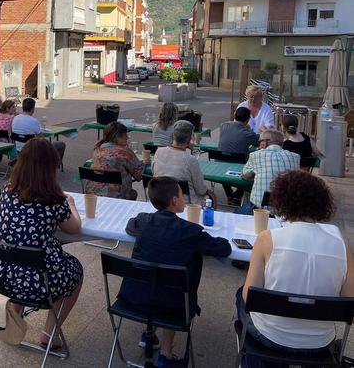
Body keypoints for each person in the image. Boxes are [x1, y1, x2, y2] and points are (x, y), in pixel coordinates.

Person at [238, 171, 353, 362]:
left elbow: (249, 296)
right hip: (319, 343)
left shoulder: (267, 238)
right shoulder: (341, 243)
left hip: (270, 337)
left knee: (240, 295)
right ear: (323, 203)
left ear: (281, 201)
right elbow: (350, 300)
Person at [120, 177, 231, 367]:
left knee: (157, 275)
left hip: (133, 299)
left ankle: (149, 334)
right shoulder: (189, 231)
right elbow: (223, 248)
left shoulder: (144, 220)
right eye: (181, 194)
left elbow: (130, 225)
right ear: (174, 200)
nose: (184, 198)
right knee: (171, 286)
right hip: (174, 305)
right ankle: (166, 354)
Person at [0, 138, 83, 350]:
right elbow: (74, 227)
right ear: (50, 166)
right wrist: (72, 204)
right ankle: (50, 333)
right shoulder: (53, 200)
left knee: (28, 262)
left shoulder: (8, 189)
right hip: (38, 282)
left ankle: (12, 320)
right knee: (73, 270)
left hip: (1, 275)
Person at [152, 120, 217, 206]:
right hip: (184, 204)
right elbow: (201, 190)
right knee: (212, 197)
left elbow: (154, 173)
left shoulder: (159, 152)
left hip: (161, 199)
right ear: (189, 140)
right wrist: (209, 191)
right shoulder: (190, 160)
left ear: (172, 136)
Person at [240, 128, 300, 213]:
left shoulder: (256, 155)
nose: (258, 145)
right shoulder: (296, 157)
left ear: (265, 142)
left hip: (260, 211)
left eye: (259, 142)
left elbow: (245, 175)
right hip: (287, 210)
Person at [89, 121, 145, 200]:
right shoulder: (124, 152)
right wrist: (145, 162)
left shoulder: (98, 149)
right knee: (133, 193)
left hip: (92, 195)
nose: (127, 137)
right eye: (125, 135)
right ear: (118, 136)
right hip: (116, 196)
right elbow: (139, 176)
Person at [219, 107, 259, 206]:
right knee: (250, 169)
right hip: (240, 162)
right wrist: (249, 130)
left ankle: (229, 194)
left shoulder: (223, 126)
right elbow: (257, 142)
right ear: (248, 120)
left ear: (234, 115)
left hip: (220, 161)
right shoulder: (247, 133)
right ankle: (237, 196)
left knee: (225, 164)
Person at [11, 98, 66, 162]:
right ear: (33, 108)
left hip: (18, 150)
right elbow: (41, 138)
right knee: (61, 145)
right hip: (31, 151)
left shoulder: (15, 118)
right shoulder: (33, 121)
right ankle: (52, 166)